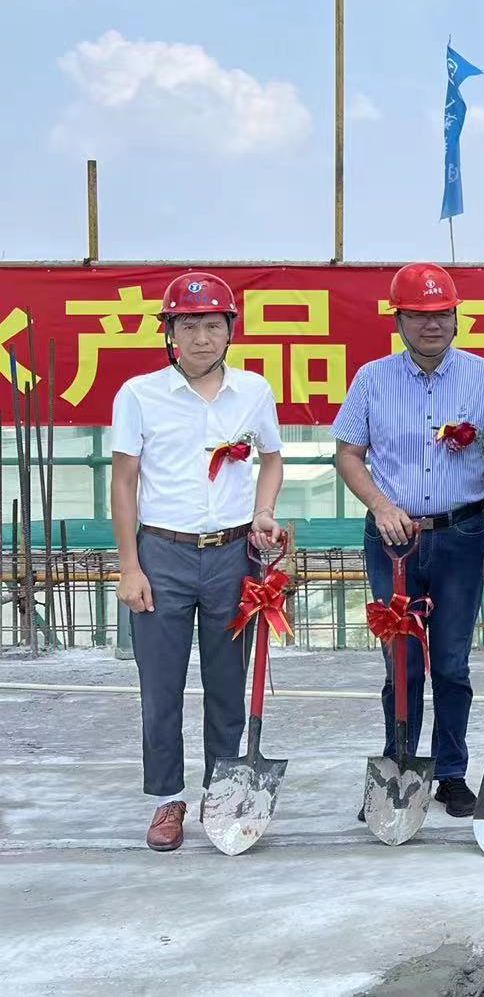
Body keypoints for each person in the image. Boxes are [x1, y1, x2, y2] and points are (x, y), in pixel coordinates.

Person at [110, 272, 283, 852]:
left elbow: (272, 459)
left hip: (233, 555)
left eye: (213, 324)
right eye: (189, 325)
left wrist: (263, 512)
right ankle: (167, 798)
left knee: (227, 684)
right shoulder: (139, 394)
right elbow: (124, 482)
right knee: (160, 687)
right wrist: (130, 567)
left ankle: (222, 791)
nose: (202, 338)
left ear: (230, 330)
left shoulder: (253, 391)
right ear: (170, 333)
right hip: (162, 553)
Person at [333, 262, 484, 820]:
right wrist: (381, 506)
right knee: (402, 663)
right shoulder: (372, 379)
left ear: (457, 317)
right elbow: (348, 454)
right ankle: (402, 767)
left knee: (452, 663)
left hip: (461, 535)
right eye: (417, 315)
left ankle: (452, 772)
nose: (431, 325)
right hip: (393, 541)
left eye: (441, 314)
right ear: (398, 321)